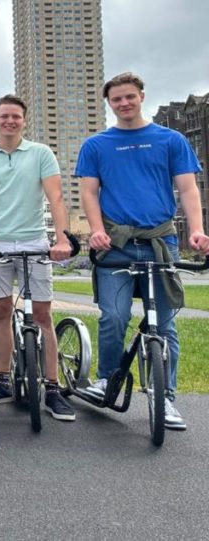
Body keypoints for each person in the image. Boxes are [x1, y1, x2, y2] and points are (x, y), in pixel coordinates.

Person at [77, 72, 209, 430]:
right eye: (116, 99)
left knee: (164, 326)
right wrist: (97, 231)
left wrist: (196, 229)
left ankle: (166, 399)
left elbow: (187, 189)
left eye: (129, 97)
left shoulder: (170, 140)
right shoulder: (96, 145)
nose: (123, 103)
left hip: (159, 243)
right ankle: (105, 377)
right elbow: (89, 193)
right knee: (114, 317)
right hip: (116, 246)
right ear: (109, 103)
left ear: (141, 96)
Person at [0, 94, 75, 421]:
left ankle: (52, 388)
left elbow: (55, 197)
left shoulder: (40, 153)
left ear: (24, 120)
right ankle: (2, 380)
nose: (10, 121)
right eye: (4, 116)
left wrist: (62, 238)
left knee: (41, 315)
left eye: (16, 116)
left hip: (34, 241)